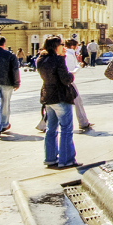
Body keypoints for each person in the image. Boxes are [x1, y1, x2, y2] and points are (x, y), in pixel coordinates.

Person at [36, 36, 79, 170]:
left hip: (48, 96)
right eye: (61, 45)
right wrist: (72, 74)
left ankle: (50, 158)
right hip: (60, 96)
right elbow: (65, 79)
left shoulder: (40, 60)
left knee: (51, 129)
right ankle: (66, 160)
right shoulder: (58, 59)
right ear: (56, 46)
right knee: (66, 129)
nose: (64, 47)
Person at [64, 39, 93, 132]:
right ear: (73, 46)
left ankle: (84, 121)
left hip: (67, 81)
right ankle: (83, 122)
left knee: (57, 103)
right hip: (68, 82)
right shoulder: (69, 55)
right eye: (77, 46)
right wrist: (80, 66)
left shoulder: (69, 54)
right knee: (77, 101)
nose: (78, 48)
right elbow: (71, 70)